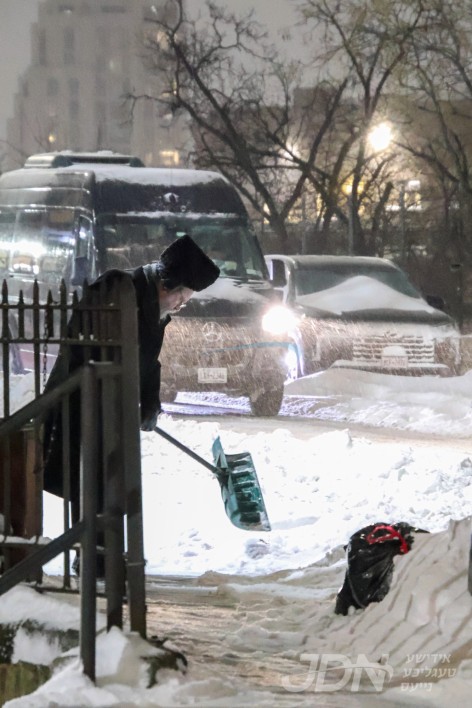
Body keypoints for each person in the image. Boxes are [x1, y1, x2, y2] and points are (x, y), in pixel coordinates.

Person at [42, 234, 220, 536]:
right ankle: (96, 555)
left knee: (111, 491)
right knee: (91, 488)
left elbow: (149, 362)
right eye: (182, 298)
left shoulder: (154, 307)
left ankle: (105, 554)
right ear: (167, 285)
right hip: (83, 408)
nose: (181, 306)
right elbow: (87, 350)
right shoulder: (117, 288)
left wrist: (150, 403)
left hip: (112, 418)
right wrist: (114, 395)